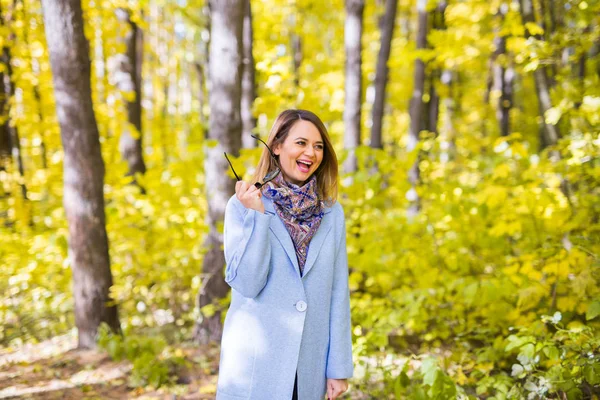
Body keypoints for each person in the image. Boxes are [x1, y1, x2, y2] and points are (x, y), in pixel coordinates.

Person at [216, 109, 354, 400]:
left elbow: (337, 291)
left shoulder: (332, 212)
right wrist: (258, 217)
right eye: (301, 143)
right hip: (256, 367)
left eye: (318, 146)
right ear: (277, 146)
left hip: (309, 367)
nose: (311, 153)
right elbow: (247, 284)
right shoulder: (242, 205)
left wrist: (338, 367)